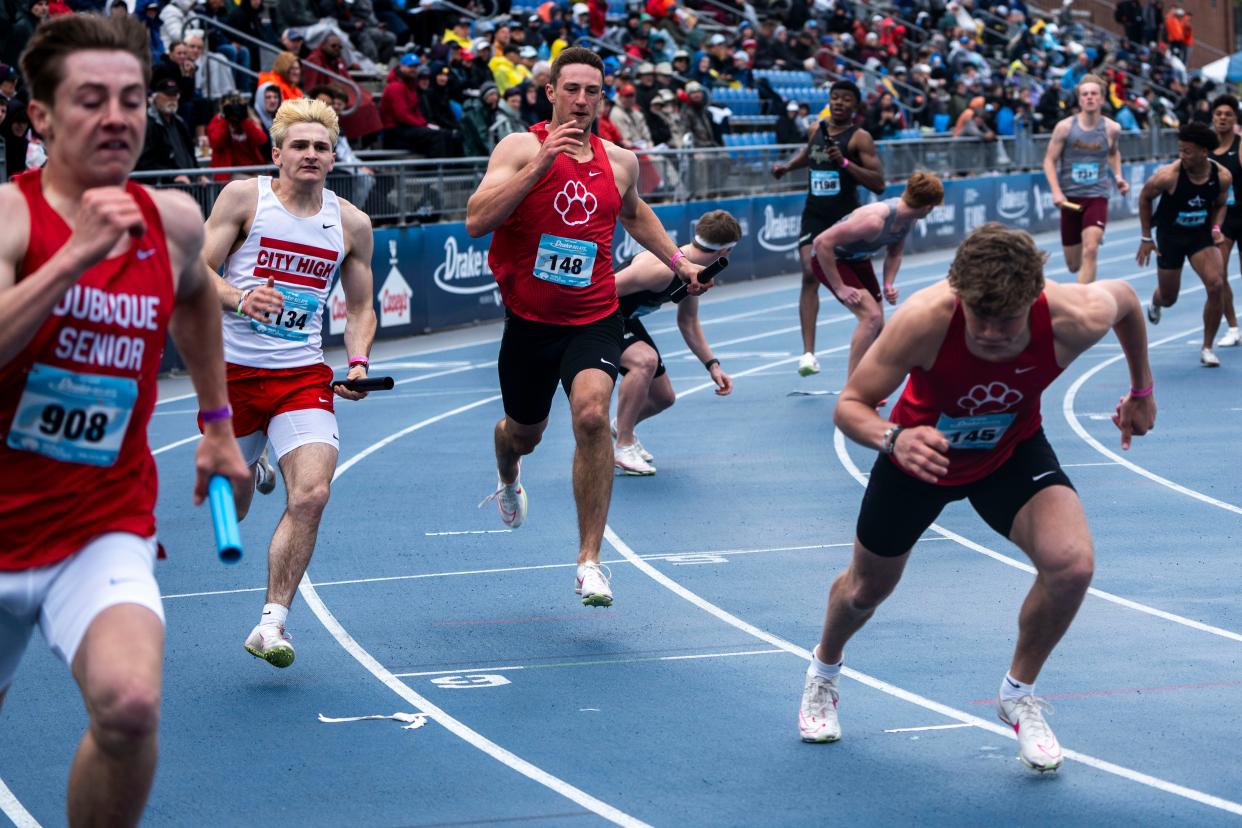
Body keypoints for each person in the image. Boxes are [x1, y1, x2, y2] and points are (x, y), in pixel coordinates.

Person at [0, 15, 247, 825]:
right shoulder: (9, 218)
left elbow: (198, 298)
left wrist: (215, 424)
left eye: (132, 100)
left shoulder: (173, 219)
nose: (116, 117)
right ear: (40, 115)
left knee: (130, 704)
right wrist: (75, 253)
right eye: (90, 99)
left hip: (98, 519)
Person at [798, 223, 1156, 773]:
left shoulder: (1073, 316)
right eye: (978, 317)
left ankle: (1018, 693)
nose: (989, 333)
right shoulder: (923, 320)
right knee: (866, 591)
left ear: (1033, 301)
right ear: (958, 294)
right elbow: (850, 405)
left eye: (1005, 320)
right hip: (920, 455)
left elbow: (1129, 302)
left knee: (1072, 565)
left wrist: (1140, 391)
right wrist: (894, 439)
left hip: (1009, 452)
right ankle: (824, 671)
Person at [466, 47, 707, 607]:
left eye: (591, 91)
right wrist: (538, 168)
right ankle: (507, 472)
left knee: (594, 415)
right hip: (529, 321)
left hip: (594, 314)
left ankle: (590, 561)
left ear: (602, 96)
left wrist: (680, 263)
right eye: (570, 88)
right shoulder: (519, 147)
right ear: (549, 92)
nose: (580, 100)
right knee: (522, 433)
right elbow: (478, 220)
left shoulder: (619, 160)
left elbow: (636, 213)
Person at [201, 98, 377, 667]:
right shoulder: (243, 198)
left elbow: (362, 305)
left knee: (313, 493)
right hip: (229, 375)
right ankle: (252, 463)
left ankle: (272, 623)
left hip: (300, 376)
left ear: (333, 158)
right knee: (235, 507)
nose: (310, 155)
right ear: (276, 153)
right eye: (299, 146)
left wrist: (357, 362)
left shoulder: (350, 222)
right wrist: (240, 298)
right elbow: (195, 273)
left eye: (321, 147)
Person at [771, 80, 885, 377]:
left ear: (855, 106)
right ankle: (808, 354)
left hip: (847, 220)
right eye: (835, 98)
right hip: (815, 215)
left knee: (866, 285)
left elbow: (879, 183)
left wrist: (845, 162)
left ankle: (872, 337)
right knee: (809, 273)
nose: (839, 103)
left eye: (846, 99)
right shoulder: (815, 130)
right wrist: (786, 167)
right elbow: (809, 155)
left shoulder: (860, 139)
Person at [611, 210, 739, 475]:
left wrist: (712, 365)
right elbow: (599, 289)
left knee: (663, 397)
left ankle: (622, 424)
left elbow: (688, 322)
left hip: (625, 319)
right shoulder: (658, 270)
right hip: (597, 316)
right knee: (645, 360)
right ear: (725, 251)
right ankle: (623, 445)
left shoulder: (692, 271)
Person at [810, 172, 945, 378]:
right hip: (832, 260)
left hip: (858, 259)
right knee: (870, 317)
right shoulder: (874, 221)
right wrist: (840, 287)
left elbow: (894, 252)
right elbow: (821, 243)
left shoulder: (909, 219)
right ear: (927, 206)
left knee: (880, 324)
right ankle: (854, 387)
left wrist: (888, 284)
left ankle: (871, 381)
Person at [1138, 121, 1230, 367]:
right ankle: (1156, 301)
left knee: (1216, 283)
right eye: (1180, 150)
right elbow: (1145, 198)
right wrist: (1146, 237)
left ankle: (1207, 347)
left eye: (1187, 151)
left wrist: (1216, 227)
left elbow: (1221, 204)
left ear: (1203, 152)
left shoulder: (1221, 176)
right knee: (1169, 298)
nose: (1182, 156)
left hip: (1200, 236)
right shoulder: (1168, 176)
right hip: (1171, 237)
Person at [1042, 74, 1128, 284]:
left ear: (1101, 98)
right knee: (1073, 265)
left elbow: (1113, 153)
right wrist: (1056, 191)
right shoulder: (1064, 128)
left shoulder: (1112, 128)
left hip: (1097, 195)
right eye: (1085, 94)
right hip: (1070, 199)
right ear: (1079, 99)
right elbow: (1049, 161)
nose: (1089, 97)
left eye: (1094, 94)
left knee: (1091, 250)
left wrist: (1118, 176)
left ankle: (1083, 304)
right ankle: (1091, 235)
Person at [1209, 94, 1241, 348]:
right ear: (1213, 117)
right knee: (1219, 275)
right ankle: (1232, 327)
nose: (1222, 118)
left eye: (1228, 114)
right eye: (1219, 114)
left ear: (1234, 119)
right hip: (1222, 218)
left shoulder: (1240, 144)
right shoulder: (1205, 150)